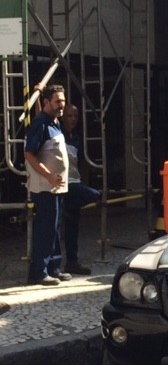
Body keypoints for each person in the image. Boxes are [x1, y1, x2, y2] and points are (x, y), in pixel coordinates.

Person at [24, 84, 72, 285]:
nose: (62, 105)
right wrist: (50, 176)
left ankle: (53, 267)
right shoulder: (41, 123)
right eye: (57, 101)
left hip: (56, 187)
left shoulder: (53, 121)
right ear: (46, 103)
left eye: (63, 100)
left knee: (54, 228)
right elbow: (29, 153)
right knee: (46, 229)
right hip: (45, 187)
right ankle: (39, 271)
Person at [60, 104, 99, 275]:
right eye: (69, 116)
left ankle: (72, 261)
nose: (73, 119)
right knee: (95, 195)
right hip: (63, 182)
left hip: (74, 180)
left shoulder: (76, 136)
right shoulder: (56, 131)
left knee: (72, 227)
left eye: (75, 116)